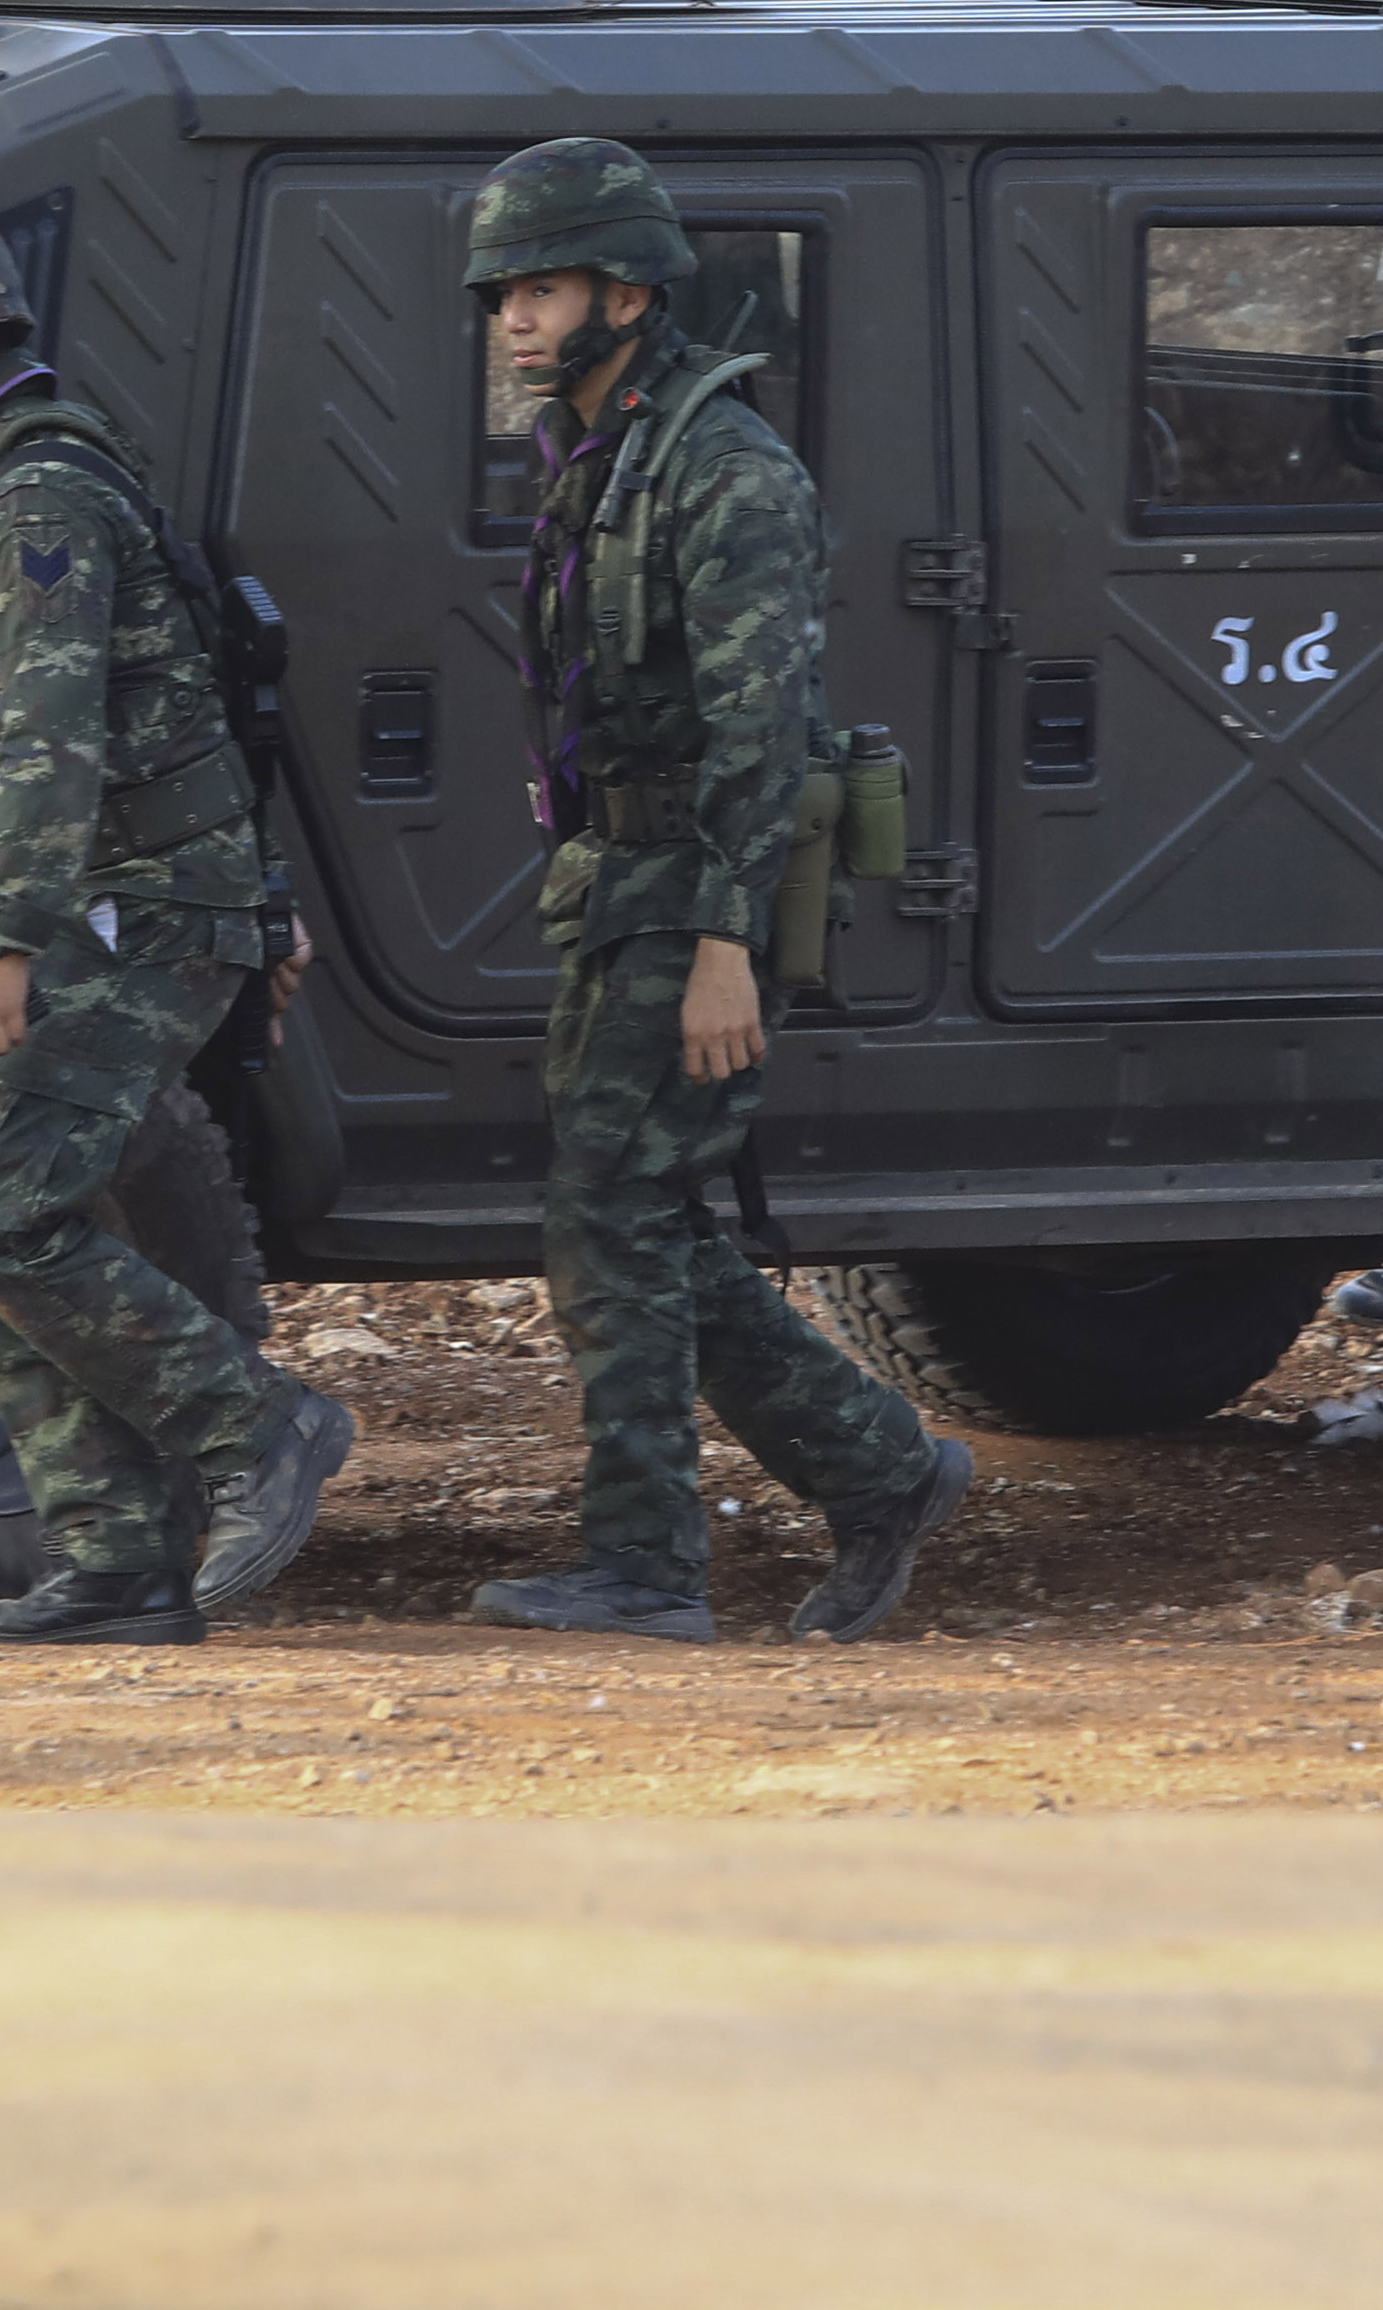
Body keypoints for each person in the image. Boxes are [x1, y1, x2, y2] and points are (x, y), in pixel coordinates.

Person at [0, 199, 345, 1646]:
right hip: (142, 899)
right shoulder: (8, 485)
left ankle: (261, 1428)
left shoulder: (37, 499)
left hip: (137, 911)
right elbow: (198, 694)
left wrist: (5, 943)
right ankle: (116, 1562)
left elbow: (56, 741)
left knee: (0, 1213)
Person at [462, 136, 973, 1645]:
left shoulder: (726, 468)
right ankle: (881, 1471)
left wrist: (721, 946)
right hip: (620, 878)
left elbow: (763, 731)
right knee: (639, 1218)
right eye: (500, 295)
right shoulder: (603, 452)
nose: (511, 321)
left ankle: (648, 1563)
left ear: (628, 292)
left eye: (539, 290)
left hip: (694, 892)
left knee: (611, 1214)